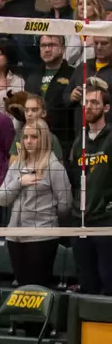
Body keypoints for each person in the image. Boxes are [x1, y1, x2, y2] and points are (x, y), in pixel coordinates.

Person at [0, 122, 72, 287]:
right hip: (14, 237)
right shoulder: (16, 166)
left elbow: (65, 205)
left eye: (34, 137)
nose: (28, 141)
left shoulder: (54, 168)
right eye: (25, 137)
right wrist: (19, 182)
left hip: (42, 236)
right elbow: (2, 198)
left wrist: (48, 221)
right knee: (22, 288)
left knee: (38, 288)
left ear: (44, 139)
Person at [70, 84, 112, 295]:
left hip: (106, 222)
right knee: (87, 283)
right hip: (81, 222)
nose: (88, 106)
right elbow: (74, 178)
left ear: (106, 108)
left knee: (108, 281)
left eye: (94, 102)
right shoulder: (80, 142)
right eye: (86, 102)